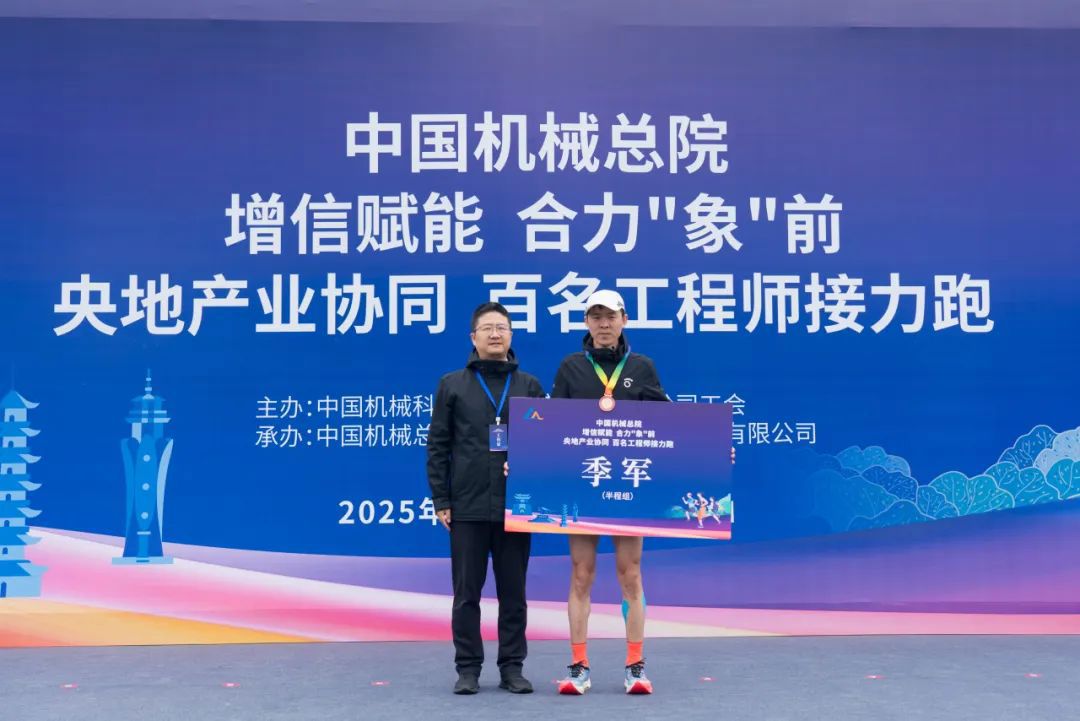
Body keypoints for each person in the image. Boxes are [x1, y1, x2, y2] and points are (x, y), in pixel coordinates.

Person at [550, 289, 668, 695]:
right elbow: (550, 426)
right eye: (596, 316)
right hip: (583, 484)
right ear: (587, 322)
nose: (603, 324)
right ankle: (579, 667)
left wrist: (713, 450)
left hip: (629, 487)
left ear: (624, 320)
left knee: (629, 574)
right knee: (581, 574)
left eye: (610, 316)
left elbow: (671, 426)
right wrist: (526, 460)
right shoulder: (570, 367)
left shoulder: (642, 366)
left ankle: (635, 666)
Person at [427, 302, 545, 695]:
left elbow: (548, 446)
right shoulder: (452, 384)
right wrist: (441, 498)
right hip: (467, 506)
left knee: (514, 595)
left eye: (502, 328)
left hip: (516, 507)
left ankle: (512, 667)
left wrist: (530, 470)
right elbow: (438, 445)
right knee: (466, 595)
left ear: (511, 336)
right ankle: (467, 669)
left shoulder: (529, 386)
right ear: (473, 337)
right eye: (487, 328)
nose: (495, 334)